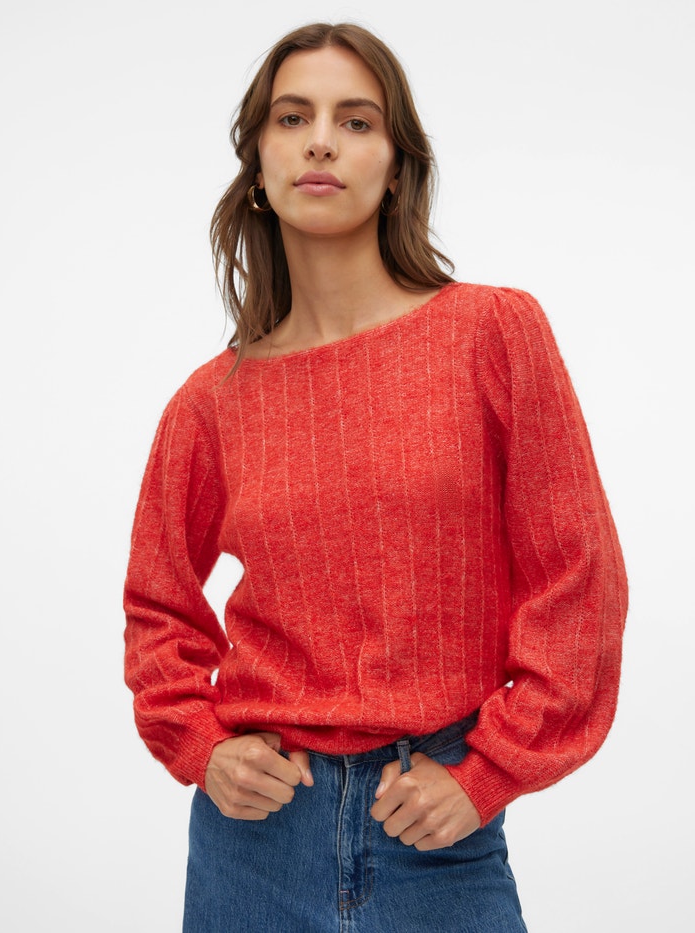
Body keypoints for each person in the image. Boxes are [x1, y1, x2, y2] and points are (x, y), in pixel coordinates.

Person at [123, 21, 628, 933]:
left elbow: (578, 578)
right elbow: (158, 605)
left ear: (397, 167)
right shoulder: (210, 402)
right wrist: (202, 745)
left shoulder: (493, 335)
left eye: (355, 121)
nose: (321, 140)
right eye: (292, 117)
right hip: (253, 846)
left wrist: (488, 773)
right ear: (259, 163)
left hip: (435, 830)